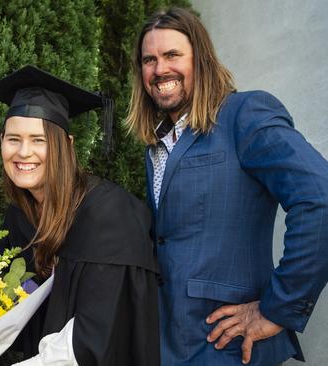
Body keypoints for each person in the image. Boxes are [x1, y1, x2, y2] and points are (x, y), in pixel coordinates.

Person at [125, 7, 328, 366]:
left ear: (200, 60)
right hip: (167, 341)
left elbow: (320, 198)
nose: (160, 69)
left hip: (228, 348)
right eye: (149, 59)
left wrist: (277, 309)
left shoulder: (244, 114)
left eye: (173, 55)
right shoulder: (157, 145)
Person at [0, 65, 160, 365]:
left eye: (38, 140)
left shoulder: (109, 216)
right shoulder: (21, 214)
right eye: (13, 139)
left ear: (67, 146)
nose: (23, 152)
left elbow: (93, 340)